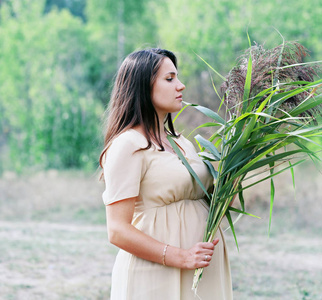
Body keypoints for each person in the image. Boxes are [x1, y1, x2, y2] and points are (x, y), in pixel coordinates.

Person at [99, 48, 233, 300]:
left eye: (177, 78)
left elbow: (215, 204)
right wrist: (181, 257)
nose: (180, 86)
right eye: (169, 79)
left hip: (201, 270)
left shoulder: (182, 143)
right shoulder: (128, 145)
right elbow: (117, 229)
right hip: (155, 275)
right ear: (142, 86)